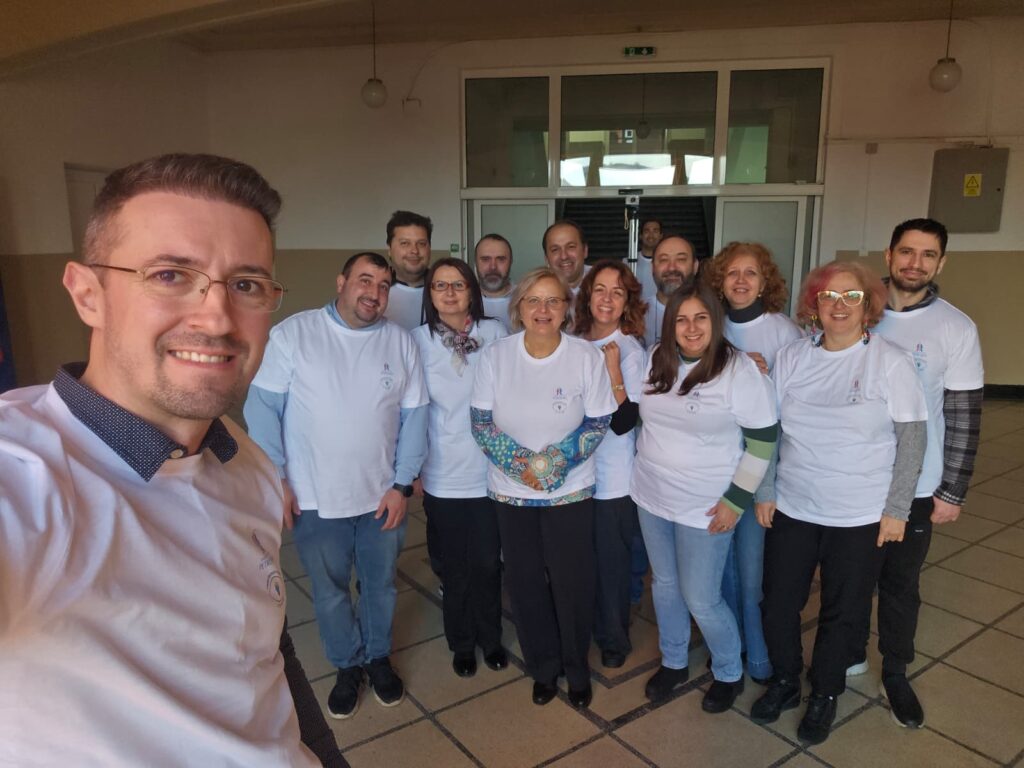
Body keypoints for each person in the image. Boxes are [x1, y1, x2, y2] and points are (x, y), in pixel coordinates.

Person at [0, 153, 337, 766]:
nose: (216, 316)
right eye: (170, 275)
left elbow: (268, 653)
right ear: (88, 294)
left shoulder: (245, 460)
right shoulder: (24, 473)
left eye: (246, 284)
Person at [245, 251, 428, 720]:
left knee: (380, 586)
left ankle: (377, 658)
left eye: (384, 285)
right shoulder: (295, 335)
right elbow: (262, 410)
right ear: (342, 282)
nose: (374, 293)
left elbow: (415, 417)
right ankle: (348, 665)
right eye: (365, 280)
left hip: (381, 496)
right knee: (329, 591)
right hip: (315, 498)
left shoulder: (400, 342)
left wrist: (402, 485)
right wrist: (277, 478)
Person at [751, 259, 927, 746]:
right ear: (814, 305)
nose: (839, 305)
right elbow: (768, 428)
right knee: (778, 602)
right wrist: (765, 490)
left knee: (843, 611)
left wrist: (897, 509)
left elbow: (912, 440)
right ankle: (786, 680)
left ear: (869, 305)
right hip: (794, 505)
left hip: (860, 512)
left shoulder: (889, 361)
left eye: (852, 296)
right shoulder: (793, 357)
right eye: (829, 296)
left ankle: (825, 692)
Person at [853, 218, 983, 728]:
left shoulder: (955, 327)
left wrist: (953, 489)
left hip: (917, 484)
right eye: (907, 252)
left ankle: (896, 672)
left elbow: (964, 416)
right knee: (849, 576)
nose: (916, 263)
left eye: (928, 255)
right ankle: (848, 652)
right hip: (853, 478)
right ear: (889, 256)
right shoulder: (858, 309)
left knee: (900, 583)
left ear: (940, 263)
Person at [627, 281, 778, 714]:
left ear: (716, 321)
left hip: (708, 504)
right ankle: (674, 661)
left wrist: (736, 500)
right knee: (665, 585)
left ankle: (729, 672)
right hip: (652, 495)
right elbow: (641, 419)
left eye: (701, 318)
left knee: (702, 598)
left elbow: (763, 442)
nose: (691, 328)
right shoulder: (657, 358)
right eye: (681, 319)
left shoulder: (739, 370)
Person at [471, 267, 615, 709]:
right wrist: (524, 469)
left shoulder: (585, 356)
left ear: (566, 309)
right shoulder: (496, 356)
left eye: (553, 300)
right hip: (511, 493)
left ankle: (576, 668)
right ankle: (544, 668)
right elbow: (481, 423)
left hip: (570, 491)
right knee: (525, 581)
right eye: (533, 300)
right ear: (519, 307)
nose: (543, 309)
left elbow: (599, 421)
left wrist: (553, 465)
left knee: (573, 581)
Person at [703, 241, 803, 685]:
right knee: (721, 567)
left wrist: (763, 376)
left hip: (760, 467)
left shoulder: (784, 332)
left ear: (765, 283)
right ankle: (731, 646)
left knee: (751, 569)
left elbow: (795, 403)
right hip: (714, 463)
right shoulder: (709, 325)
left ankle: (758, 651)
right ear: (719, 282)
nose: (740, 281)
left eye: (751, 273)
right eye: (732, 273)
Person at [411, 257, 509, 678]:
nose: (449, 293)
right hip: (442, 472)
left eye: (458, 285)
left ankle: (491, 637)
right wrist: (411, 468)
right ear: (430, 295)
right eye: (440, 285)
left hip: (490, 472)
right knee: (454, 567)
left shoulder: (495, 334)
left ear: (472, 291)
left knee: (487, 562)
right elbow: (410, 410)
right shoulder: (416, 341)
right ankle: (462, 642)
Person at [572, 259, 647, 669]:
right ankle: (580, 630)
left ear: (627, 302)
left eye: (617, 292)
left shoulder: (630, 351)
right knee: (577, 562)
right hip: (573, 476)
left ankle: (614, 640)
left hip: (612, 481)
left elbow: (624, 422)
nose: (607, 299)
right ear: (587, 296)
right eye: (600, 289)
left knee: (612, 565)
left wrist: (613, 371)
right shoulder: (571, 341)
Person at [645, 234, 699, 346]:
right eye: (663, 260)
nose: (672, 267)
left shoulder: (710, 313)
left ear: (695, 266)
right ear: (652, 268)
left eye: (681, 259)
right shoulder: (637, 314)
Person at [383, 209, 432, 330]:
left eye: (421, 243)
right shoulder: (374, 290)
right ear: (389, 249)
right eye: (405, 243)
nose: (414, 251)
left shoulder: (446, 289)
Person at [474, 233, 515, 330]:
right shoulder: (461, 300)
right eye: (485, 259)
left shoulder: (526, 298)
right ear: (475, 262)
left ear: (511, 262)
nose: (493, 267)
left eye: (501, 259)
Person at [542, 219, 590, 294]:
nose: (564, 256)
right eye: (555, 250)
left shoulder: (604, 281)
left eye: (571, 247)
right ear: (546, 258)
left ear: (585, 251)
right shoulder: (536, 290)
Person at [635, 216, 662, 301]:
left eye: (655, 231)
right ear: (640, 235)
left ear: (661, 236)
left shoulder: (668, 263)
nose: (651, 235)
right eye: (647, 231)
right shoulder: (628, 262)